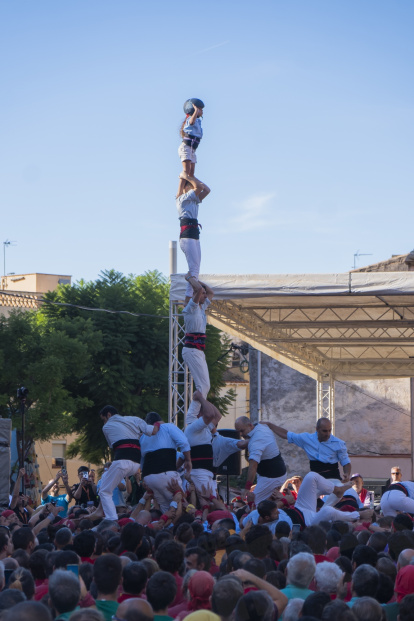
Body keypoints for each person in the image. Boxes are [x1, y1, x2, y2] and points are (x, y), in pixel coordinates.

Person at [89, 405, 159, 522]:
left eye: (104, 419)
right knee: (106, 479)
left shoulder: (106, 427)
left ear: (109, 415)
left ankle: (111, 519)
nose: (104, 422)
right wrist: (158, 423)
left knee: (104, 491)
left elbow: (113, 445)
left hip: (122, 462)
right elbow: (154, 431)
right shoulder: (135, 419)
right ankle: (100, 510)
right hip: (136, 464)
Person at [261, 417, 351, 482]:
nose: (327, 434)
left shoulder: (339, 443)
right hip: (315, 479)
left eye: (329, 430)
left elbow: (346, 462)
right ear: (317, 429)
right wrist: (270, 425)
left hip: (333, 478)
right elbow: (287, 435)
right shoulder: (306, 438)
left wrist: (347, 473)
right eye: (324, 431)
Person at [140, 412, 191, 512]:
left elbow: (141, 459)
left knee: (164, 507)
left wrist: (144, 478)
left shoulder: (143, 436)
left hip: (149, 477)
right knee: (181, 503)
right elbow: (184, 443)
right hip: (165, 473)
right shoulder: (169, 427)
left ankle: (166, 526)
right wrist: (188, 460)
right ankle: (179, 526)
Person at [182, 276, 215, 420]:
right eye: (202, 294)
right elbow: (200, 289)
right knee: (203, 386)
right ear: (196, 294)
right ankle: (191, 416)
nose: (205, 295)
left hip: (198, 351)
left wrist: (199, 284)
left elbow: (210, 292)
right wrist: (191, 278)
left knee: (206, 385)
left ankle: (194, 414)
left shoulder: (202, 309)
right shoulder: (191, 308)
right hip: (192, 350)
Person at [235, 416, 287, 504]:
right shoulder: (261, 426)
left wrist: (247, 488)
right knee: (269, 502)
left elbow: (253, 467)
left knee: (255, 503)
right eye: (238, 432)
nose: (240, 434)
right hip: (273, 473)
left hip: (272, 477)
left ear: (250, 425)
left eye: (242, 431)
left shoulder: (256, 442)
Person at [176, 177, 211, 304]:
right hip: (187, 236)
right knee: (194, 269)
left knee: (196, 269)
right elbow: (200, 188)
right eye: (189, 186)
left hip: (194, 235)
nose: (192, 187)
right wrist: (187, 176)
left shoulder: (193, 200)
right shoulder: (182, 199)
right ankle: (188, 299)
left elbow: (207, 190)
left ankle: (190, 297)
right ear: (185, 188)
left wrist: (191, 177)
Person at [177, 98, 204, 198]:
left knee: (191, 173)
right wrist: (196, 111)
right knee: (186, 171)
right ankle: (179, 193)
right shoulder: (190, 120)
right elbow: (191, 122)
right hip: (186, 148)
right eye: (200, 109)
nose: (202, 111)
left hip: (192, 150)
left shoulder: (198, 122)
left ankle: (186, 191)